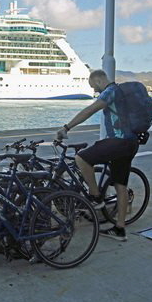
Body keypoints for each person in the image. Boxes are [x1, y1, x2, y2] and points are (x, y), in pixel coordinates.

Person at [56, 69, 139, 241]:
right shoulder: (121, 92)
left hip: (118, 141)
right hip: (131, 142)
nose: (95, 91)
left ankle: (95, 197)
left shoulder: (110, 91)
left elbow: (90, 110)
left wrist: (67, 127)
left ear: (99, 80)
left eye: (94, 86)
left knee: (82, 158)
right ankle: (120, 230)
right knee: (120, 186)